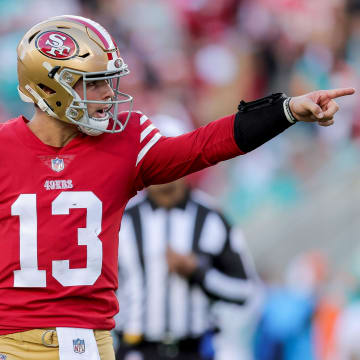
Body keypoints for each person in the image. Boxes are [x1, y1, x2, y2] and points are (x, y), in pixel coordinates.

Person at [0, 14, 354, 360]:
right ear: (48, 87)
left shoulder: (125, 140)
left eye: (107, 81)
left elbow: (203, 146)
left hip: (89, 341)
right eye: (93, 83)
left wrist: (286, 111)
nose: (108, 94)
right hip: (10, 342)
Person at [113, 115, 263, 360]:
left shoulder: (212, 218)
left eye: (168, 154)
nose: (161, 164)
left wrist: (199, 273)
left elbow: (245, 291)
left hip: (194, 350)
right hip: (134, 350)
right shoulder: (121, 219)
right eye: (153, 156)